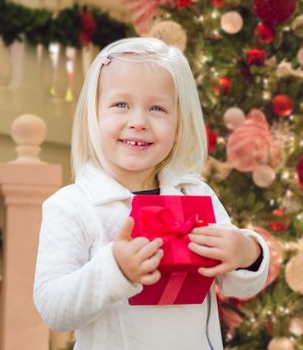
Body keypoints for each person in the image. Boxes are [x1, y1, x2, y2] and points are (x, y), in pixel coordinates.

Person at [33, 37, 270, 350]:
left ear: (179, 125)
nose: (138, 122)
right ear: (94, 116)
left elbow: (237, 283)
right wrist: (113, 269)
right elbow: (54, 309)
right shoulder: (72, 206)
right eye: (121, 105)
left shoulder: (195, 194)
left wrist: (247, 254)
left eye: (157, 108)